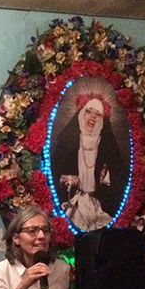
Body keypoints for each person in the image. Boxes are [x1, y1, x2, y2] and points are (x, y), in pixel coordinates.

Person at [52, 93, 128, 231]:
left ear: (102, 120)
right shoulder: (68, 141)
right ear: (81, 114)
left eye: (98, 114)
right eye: (89, 111)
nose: (92, 117)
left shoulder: (107, 144)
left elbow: (119, 175)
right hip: (73, 202)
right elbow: (56, 170)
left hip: (99, 204)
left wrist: (106, 178)